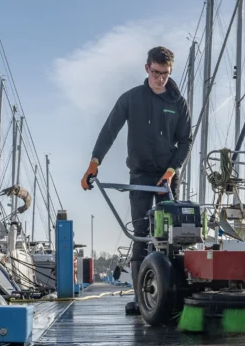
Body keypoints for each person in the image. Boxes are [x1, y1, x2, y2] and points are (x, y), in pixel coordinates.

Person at [80, 46, 191, 315]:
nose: (160, 79)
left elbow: (185, 141)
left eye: (165, 74)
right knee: (140, 235)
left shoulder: (178, 103)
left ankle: (170, 295)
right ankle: (142, 299)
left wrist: (172, 170)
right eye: (155, 72)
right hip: (140, 175)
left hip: (167, 177)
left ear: (170, 72)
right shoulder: (131, 99)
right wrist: (95, 162)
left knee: (169, 237)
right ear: (146, 68)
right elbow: (110, 129)